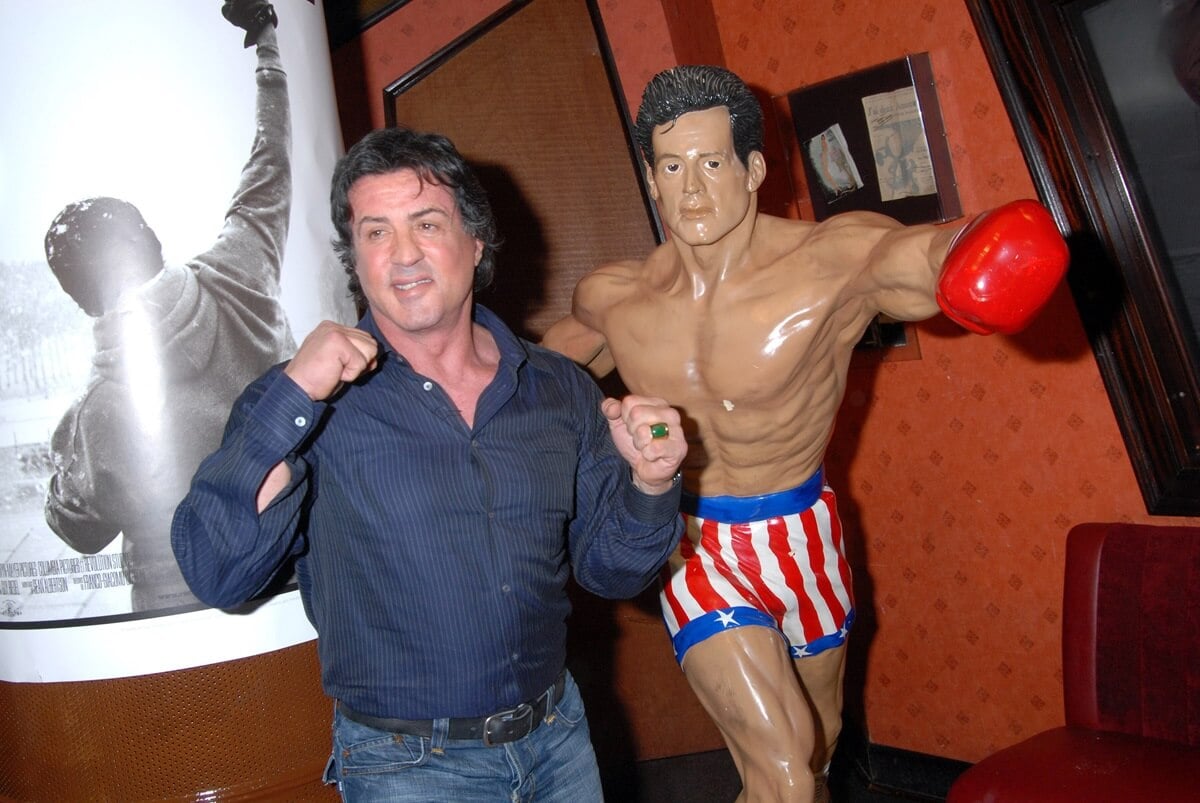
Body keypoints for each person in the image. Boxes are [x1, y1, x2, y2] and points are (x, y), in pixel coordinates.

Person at [542, 65, 1068, 802]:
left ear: (754, 169)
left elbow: (914, 257)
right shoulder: (613, 297)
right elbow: (526, 382)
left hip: (805, 531)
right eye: (672, 166)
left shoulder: (826, 263)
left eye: (713, 162)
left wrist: (976, 253)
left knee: (815, 752)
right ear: (652, 181)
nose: (692, 190)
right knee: (784, 770)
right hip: (697, 544)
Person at [170, 125, 688, 802]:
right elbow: (216, 572)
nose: (403, 253)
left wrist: (650, 482)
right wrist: (292, 394)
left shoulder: (560, 388)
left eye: (426, 222)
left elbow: (613, 570)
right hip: (407, 768)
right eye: (375, 232)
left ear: (476, 243)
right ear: (355, 259)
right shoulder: (311, 407)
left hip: (558, 740)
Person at [42, 0, 295, 613]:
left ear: (78, 298)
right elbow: (272, 159)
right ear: (152, 240)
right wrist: (266, 45)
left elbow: (79, 529)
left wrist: (59, 470)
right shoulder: (239, 269)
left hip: (169, 619)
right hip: (293, 580)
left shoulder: (92, 418)